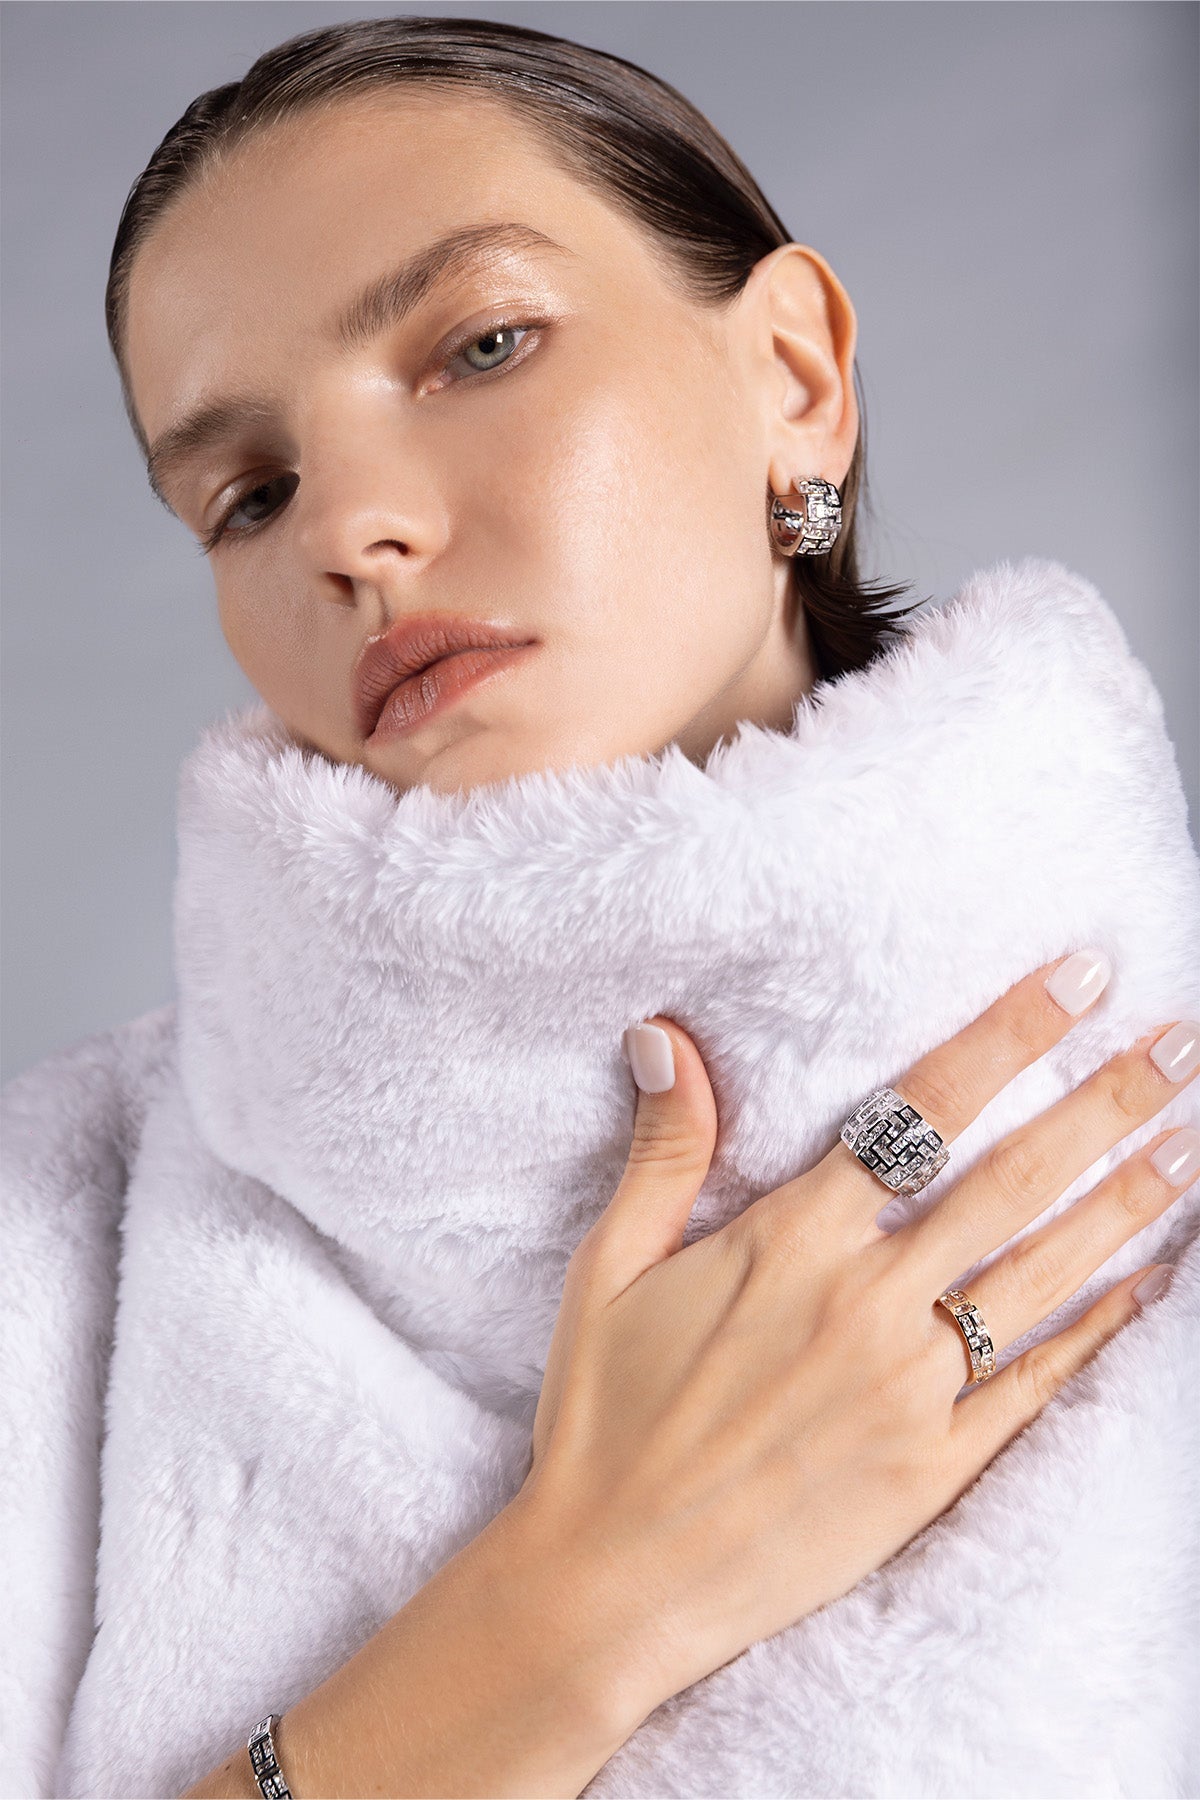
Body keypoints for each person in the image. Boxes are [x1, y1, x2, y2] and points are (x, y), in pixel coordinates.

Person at [3, 15, 1198, 1799]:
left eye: (480, 345)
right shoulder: (55, 1233)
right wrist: (586, 1603)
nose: (352, 528)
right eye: (249, 493)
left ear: (793, 373)